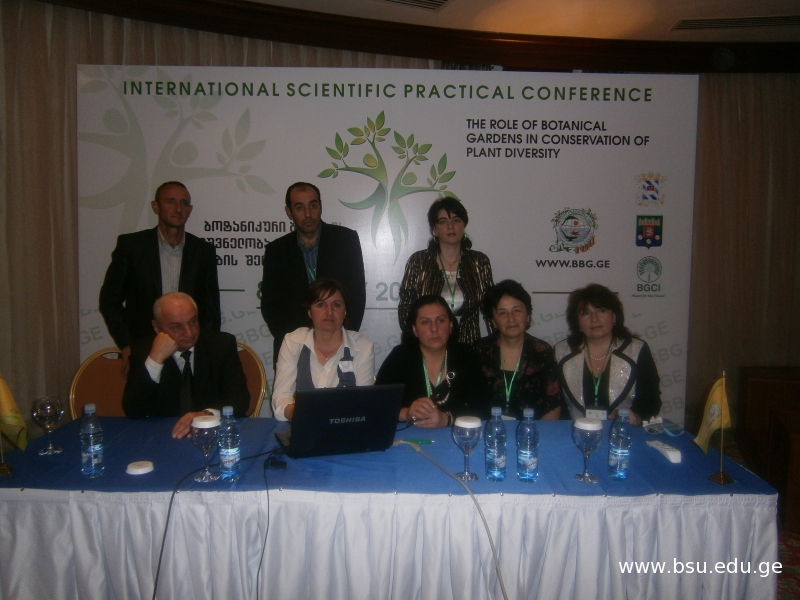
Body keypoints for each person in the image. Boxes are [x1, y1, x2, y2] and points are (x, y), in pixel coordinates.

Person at [99, 181, 220, 374]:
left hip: (189, 351)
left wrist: (205, 348)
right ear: (156, 206)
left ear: (190, 210)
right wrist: (127, 343)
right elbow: (109, 301)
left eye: (184, 203)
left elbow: (211, 307)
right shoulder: (131, 247)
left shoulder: (203, 252)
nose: (178, 208)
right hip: (143, 347)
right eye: (170, 201)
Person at [261, 182, 366, 365]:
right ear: (289, 212)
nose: (308, 214)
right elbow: (272, 307)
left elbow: (355, 298)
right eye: (300, 208)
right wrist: (299, 343)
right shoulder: (277, 251)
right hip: (293, 351)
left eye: (313, 205)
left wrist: (337, 340)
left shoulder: (345, 241)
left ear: (321, 207)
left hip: (339, 348)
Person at [122, 292, 249, 439]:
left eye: (193, 322)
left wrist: (205, 415)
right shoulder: (143, 350)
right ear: (157, 327)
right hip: (163, 436)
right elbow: (133, 410)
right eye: (176, 327)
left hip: (211, 435)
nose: (189, 333)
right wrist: (155, 359)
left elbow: (240, 399)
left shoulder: (221, 345)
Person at [554, 283, 661, 426]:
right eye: (585, 313)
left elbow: (651, 401)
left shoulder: (636, 350)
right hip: (574, 432)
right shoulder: (561, 351)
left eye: (601, 310)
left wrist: (636, 417)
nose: (594, 319)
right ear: (578, 322)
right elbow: (556, 402)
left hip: (624, 432)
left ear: (614, 316)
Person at [376, 294, 488, 428]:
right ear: (415, 330)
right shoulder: (400, 357)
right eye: (425, 322)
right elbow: (377, 405)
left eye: (441, 320)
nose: (434, 329)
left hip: (456, 435)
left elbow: (484, 408)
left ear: (451, 325)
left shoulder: (466, 355)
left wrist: (446, 419)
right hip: (411, 435)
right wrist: (406, 413)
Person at [272, 278, 374, 421]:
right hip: (303, 426)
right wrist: (294, 413)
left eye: (336, 305)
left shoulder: (363, 346)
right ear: (309, 312)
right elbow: (281, 395)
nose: (329, 312)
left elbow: (364, 402)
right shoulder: (292, 342)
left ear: (344, 312)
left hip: (344, 426)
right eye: (321, 305)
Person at [398, 198, 494, 345]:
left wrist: (498, 344)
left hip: (469, 347)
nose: (450, 226)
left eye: (456, 220)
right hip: (428, 345)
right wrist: (415, 345)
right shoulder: (419, 261)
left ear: (464, 224)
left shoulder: (479, 262)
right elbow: (406, 309)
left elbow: (491, 309)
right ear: (434, 229)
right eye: (443, 221)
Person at [476, 280, 561, 420]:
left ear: (528, 316)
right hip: (486, 431)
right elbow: (469, 403)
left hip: (532, 431)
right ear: (493, 321)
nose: (511, 319)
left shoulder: (542, 352)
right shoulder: (479, 350)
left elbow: (552, 406)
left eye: (517, 311)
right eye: (502, 313)